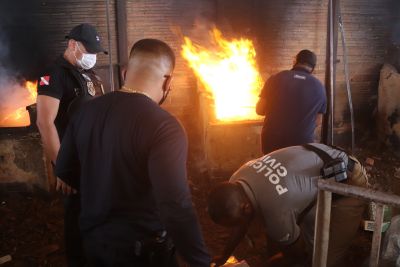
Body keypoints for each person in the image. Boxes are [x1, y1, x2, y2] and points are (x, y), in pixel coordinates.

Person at [55, 39, 211, 267]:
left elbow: (64, 170)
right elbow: (175, 204)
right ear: (168, 82)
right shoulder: (164, 126)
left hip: (92, 244)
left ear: (125, 72)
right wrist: (199, 260)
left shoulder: (85, 111)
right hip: (141, 253)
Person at [207, 143, 368, 267]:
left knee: (325, 259)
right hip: (320, 163)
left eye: (239, 221)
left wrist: (265, 265)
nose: (241, 226)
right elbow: (241, 222)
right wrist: (224, 255)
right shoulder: (238, 177)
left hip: (347, 179)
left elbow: (296, 255)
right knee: (309, 238)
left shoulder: (276, 213)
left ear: (245, 208)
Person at [36, 23, 107, 267]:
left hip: (98, 162)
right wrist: (62, 169)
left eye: (96, 52)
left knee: (100, 219)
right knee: (77, 221)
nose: (93, 57)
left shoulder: (92, 75)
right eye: (89, 50)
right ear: (72, 44)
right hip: (73, 164)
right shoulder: (54, 74)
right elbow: (44, 122)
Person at [256, 50, 327, 154]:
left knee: (272, 169)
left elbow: (259, 110)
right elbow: (318, 121)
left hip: (271, 141)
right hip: (301, 144)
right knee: (296, 169)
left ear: (295, 61)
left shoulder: (275, 78)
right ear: (313, 67)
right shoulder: (320, 87)